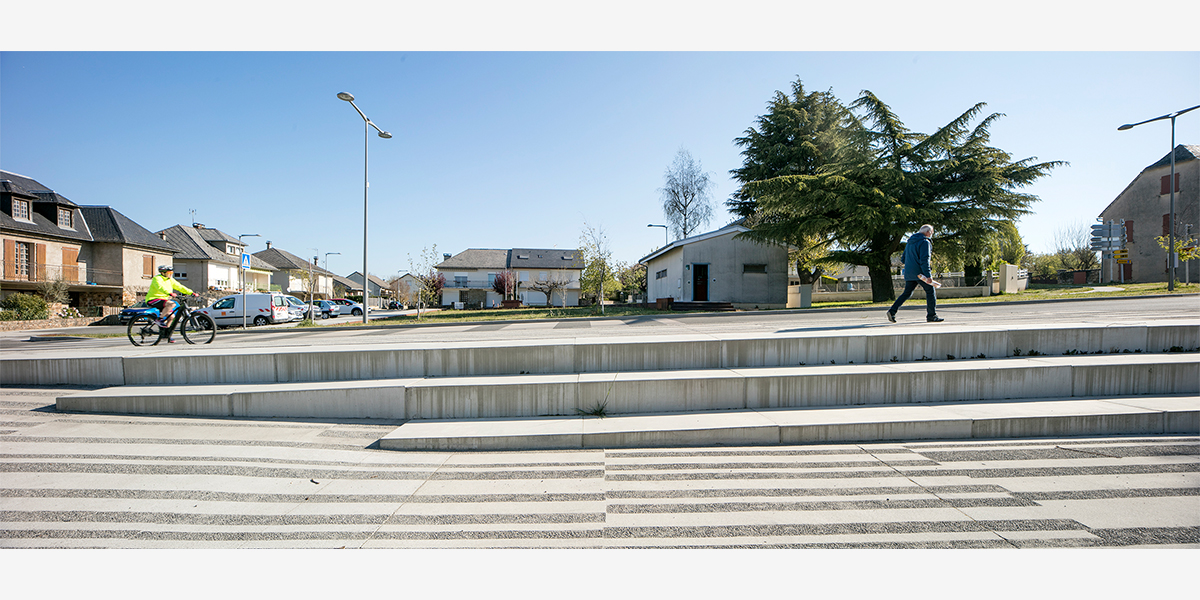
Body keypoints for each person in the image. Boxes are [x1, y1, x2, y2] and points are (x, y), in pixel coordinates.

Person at [887, 224, 943, 323]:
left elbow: (903, 259)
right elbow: (924, 260)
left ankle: (892, 311)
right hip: (921, 274)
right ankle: (932, 315)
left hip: (909, 273)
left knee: (906, 293)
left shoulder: (910, 242)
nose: (931, 234)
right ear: (927, 232)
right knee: (930, 291)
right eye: (931, 233)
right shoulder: (925, 242)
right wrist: (928, 275)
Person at [146, 265, 199, 340]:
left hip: (164, 300)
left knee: (171, 317)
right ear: (163, 273)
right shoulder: (157, 279)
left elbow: (179, 287)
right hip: (153, 299)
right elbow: (160, 287)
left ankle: (166, 334)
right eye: (169, 272)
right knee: (172, 304)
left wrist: (191, 293)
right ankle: (159, 320)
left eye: (172, 272)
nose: (171, 274)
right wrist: (169, 293)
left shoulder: (170, 280)